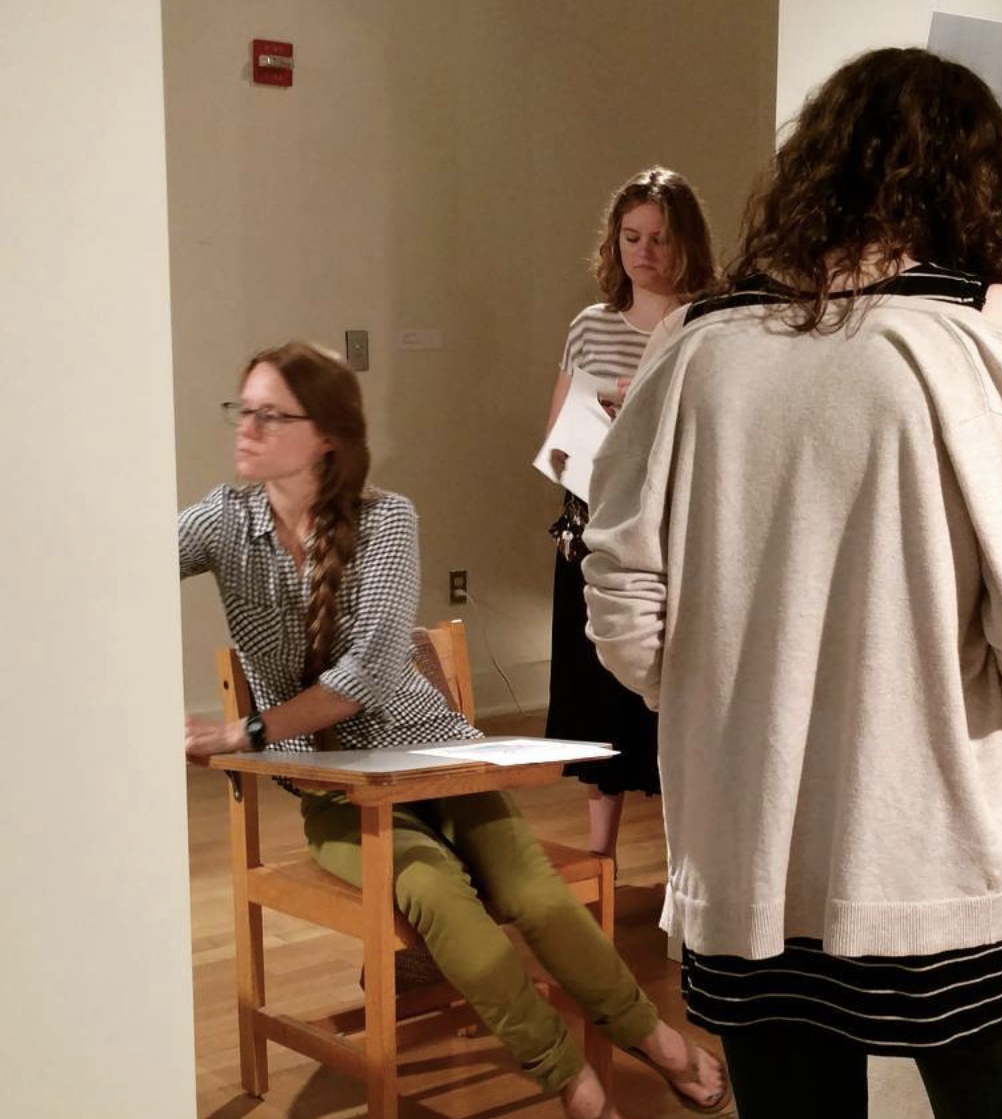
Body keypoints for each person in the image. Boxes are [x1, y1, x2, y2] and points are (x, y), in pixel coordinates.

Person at [582, 49, 1002, 1119]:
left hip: (749, 846)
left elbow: (622, 602)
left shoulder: (694, 340)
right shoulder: (993, 331)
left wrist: (727, 708)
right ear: (978, 181)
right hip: (946, 845)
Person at [180, 342, 728, 1119]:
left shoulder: (386, 517)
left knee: (536, 896)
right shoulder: (223, 521)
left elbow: (368, 673)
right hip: (339, 795)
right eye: (244, 410)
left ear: (326, 435)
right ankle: (569, 1077)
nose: (248, 427)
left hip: (439, 758)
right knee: (441, 898)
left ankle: (655, 1039)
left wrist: (245, 729)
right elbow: (118, 568)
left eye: (272, 415)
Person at [541, 167, 715, 859]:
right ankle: (600, 857)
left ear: (686, 242)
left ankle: (683, 865)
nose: (643, 252)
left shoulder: (707, 321)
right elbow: (556, 445)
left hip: (675, 531)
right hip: (596, 522)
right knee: (597, 698)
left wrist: (636, 402)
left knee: (675, 696)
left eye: (659, 238)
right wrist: (602, 417)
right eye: (631, 237)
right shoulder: (589, 325)